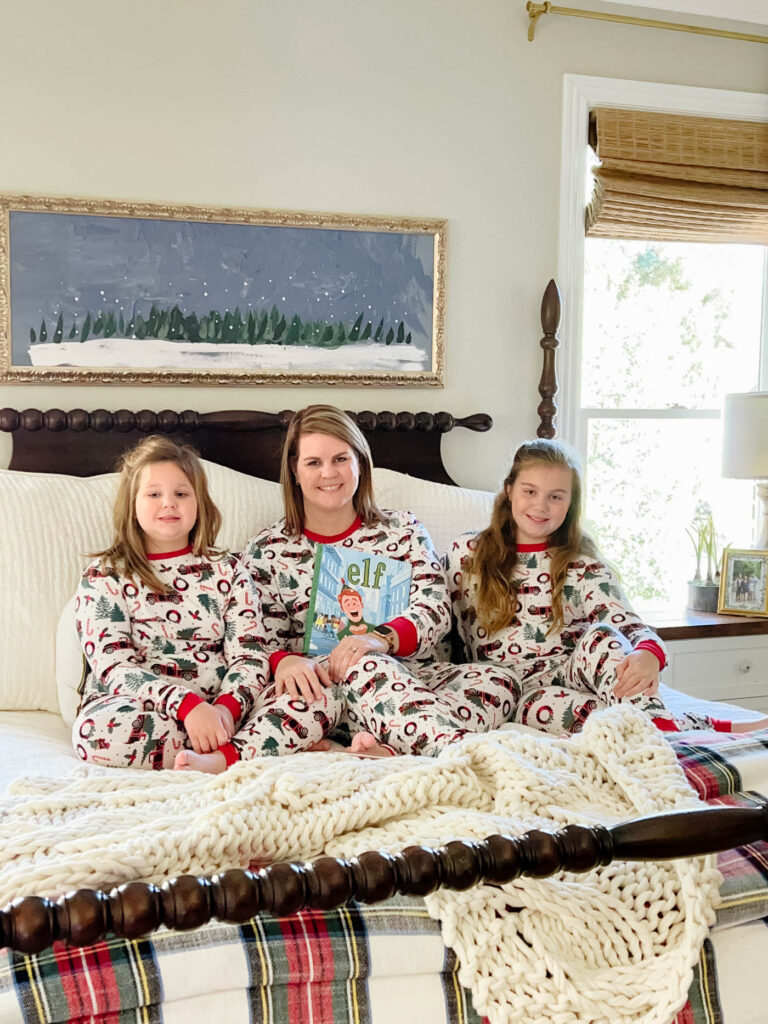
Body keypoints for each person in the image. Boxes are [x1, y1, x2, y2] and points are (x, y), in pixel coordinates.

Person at [234, 404, 519, 761]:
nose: (329, 473)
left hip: (415, 679)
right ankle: (459, 758)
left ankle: (379, 744)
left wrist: (378, 638)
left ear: (360, 462)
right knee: (364, 667)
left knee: (499, 682)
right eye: (313, 463)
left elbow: (435, 609)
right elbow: (252, 636)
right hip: (320, 686)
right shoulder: (268, 550)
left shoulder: (402, 531)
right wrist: (284, 662)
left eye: (340, 459)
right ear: (294, 469)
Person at [447, 438, 768, 736]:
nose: (541, 506)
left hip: (571, 672)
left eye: (555, 496)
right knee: (603, 720)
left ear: (570, 503)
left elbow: (624, 621)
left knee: (603, 637)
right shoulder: (466, 555)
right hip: (513, 691)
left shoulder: (581, 563)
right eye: (529, 492)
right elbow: (440, 626)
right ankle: (688, 727)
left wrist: (648, 652)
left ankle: (666, 734)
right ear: (509, 490)